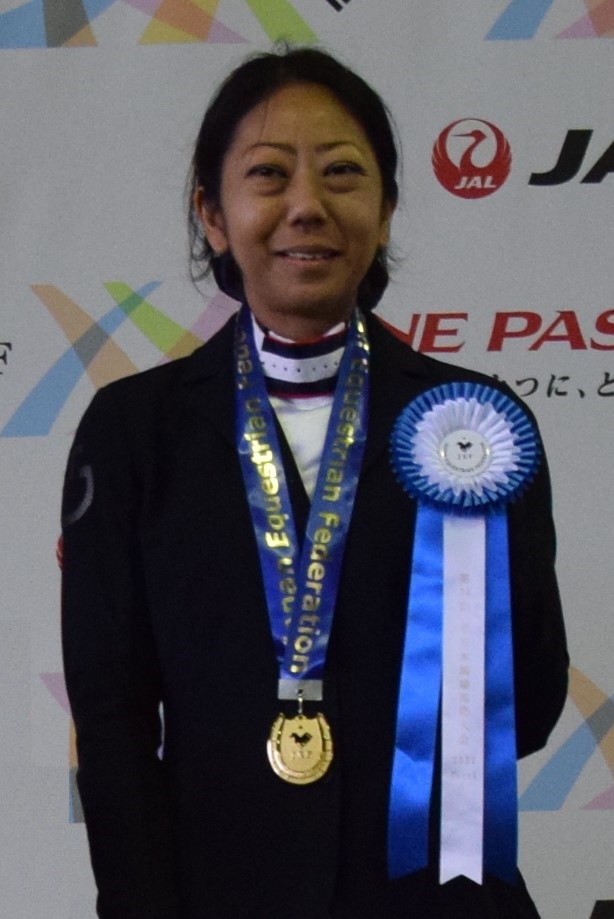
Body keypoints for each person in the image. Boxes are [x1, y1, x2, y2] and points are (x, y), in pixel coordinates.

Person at [61, 46, 568, 918]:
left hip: (433, 898)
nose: (307, 204)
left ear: (386, 207)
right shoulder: (133, 430)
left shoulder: (471, 426)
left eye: (342, 172)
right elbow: (111, 723)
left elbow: (529, 699)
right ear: (213, 215)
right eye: (269, 173)